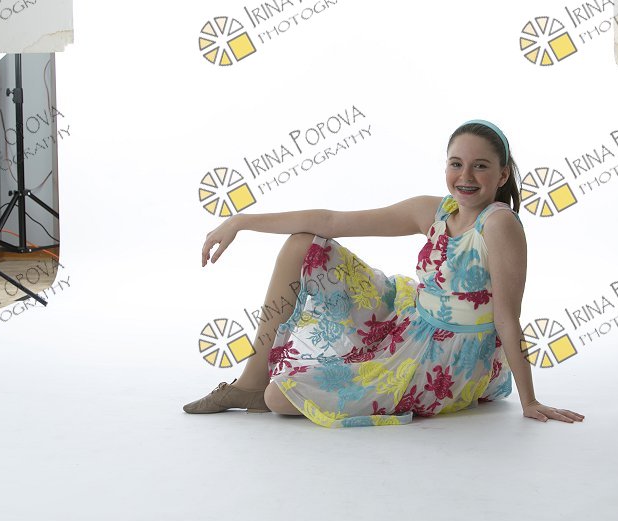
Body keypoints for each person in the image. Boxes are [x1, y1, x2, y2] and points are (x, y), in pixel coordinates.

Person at [184, 119, 586, 428]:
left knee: (280, 398)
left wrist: (530, 401)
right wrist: (241, 221)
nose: (465, 177)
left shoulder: (499, 224)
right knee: (302, 243)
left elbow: (507, 318)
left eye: (480, 167)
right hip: (410, 317)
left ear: (502, 175)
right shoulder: (435, 210)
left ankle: (270, 391)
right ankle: (249, 383)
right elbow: (331, 220)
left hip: (449, 358)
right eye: (456, 164)